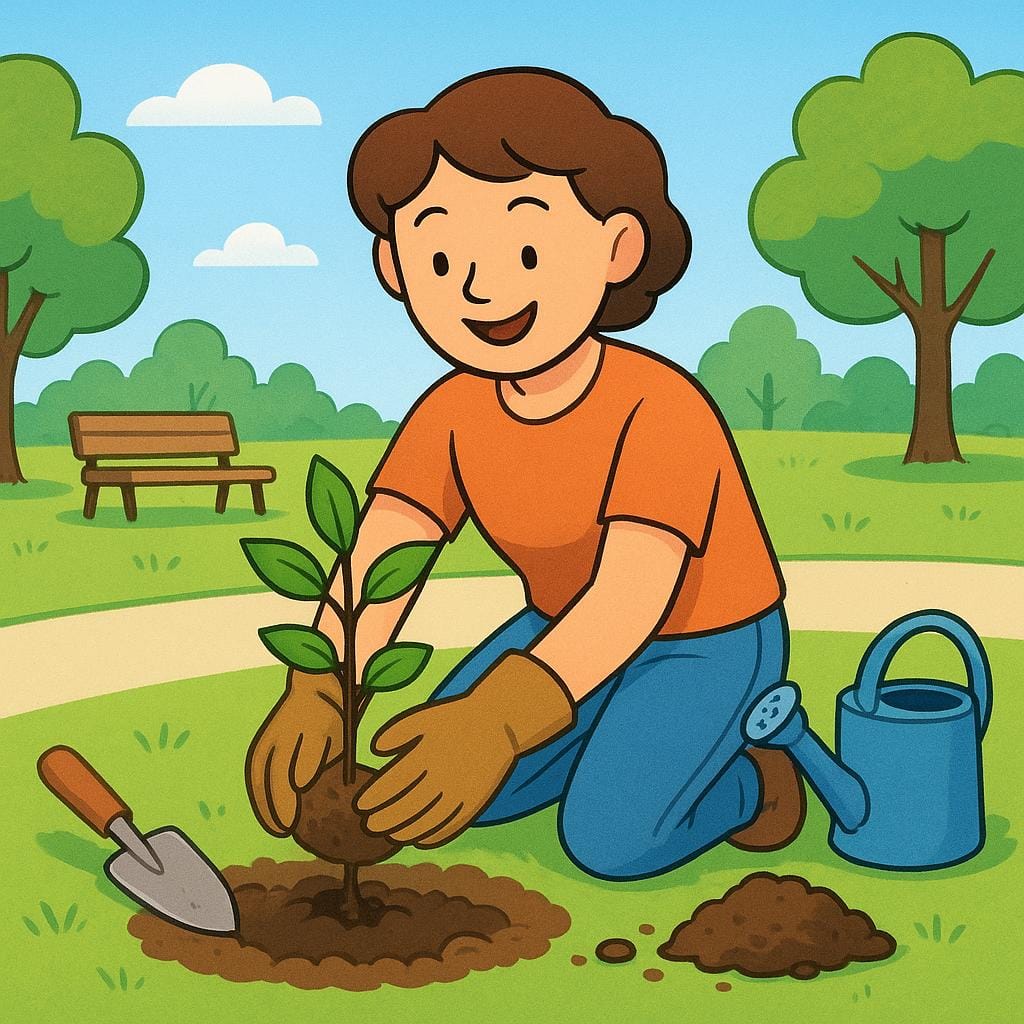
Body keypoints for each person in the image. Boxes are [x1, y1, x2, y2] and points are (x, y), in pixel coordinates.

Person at [246, 68, 805, 881]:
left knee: (610, 842)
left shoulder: (662, 408)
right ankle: (620, 737)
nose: (478, 286)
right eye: (438, 255)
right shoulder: (450, 412)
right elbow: (385, 554)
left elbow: (630, 597)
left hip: (706, 642)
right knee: (436, 782)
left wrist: (505, 720)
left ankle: (756, 783)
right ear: (393, 267)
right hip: (557, 626)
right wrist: (321, 680)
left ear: (617, 249)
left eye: (528, 248)